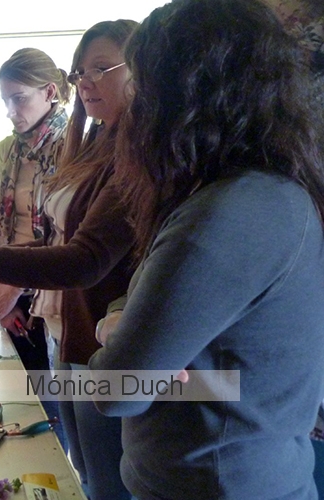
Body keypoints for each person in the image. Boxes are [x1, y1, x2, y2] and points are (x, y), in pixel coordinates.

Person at [88, 0, 324, 498]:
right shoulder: (250, 192)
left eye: (142, 87)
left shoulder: (235, 209)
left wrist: (115, 329)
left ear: (181, 95)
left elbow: (115, 388)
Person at [0, 20, 140, 500]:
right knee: (81, 464)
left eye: (102, 68)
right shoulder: (95, 141)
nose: (87, 82)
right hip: (65, 318)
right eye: (82, 70)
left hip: (101, 330)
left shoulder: (130, 151)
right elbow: (45, 233)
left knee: (105, 475)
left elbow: (84, 256)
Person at [0, 46, 72, 449]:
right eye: (5, 99)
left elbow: (67, 235)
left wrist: (17, 286)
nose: (10, 110)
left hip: (52, 287)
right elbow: (3, 227)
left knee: (53, 406)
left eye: (18, 97)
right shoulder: (8, 149)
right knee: (21, 395)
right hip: (12, 285)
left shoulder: (75, 145)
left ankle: (55, 472)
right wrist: (4, 290)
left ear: (50, 91)